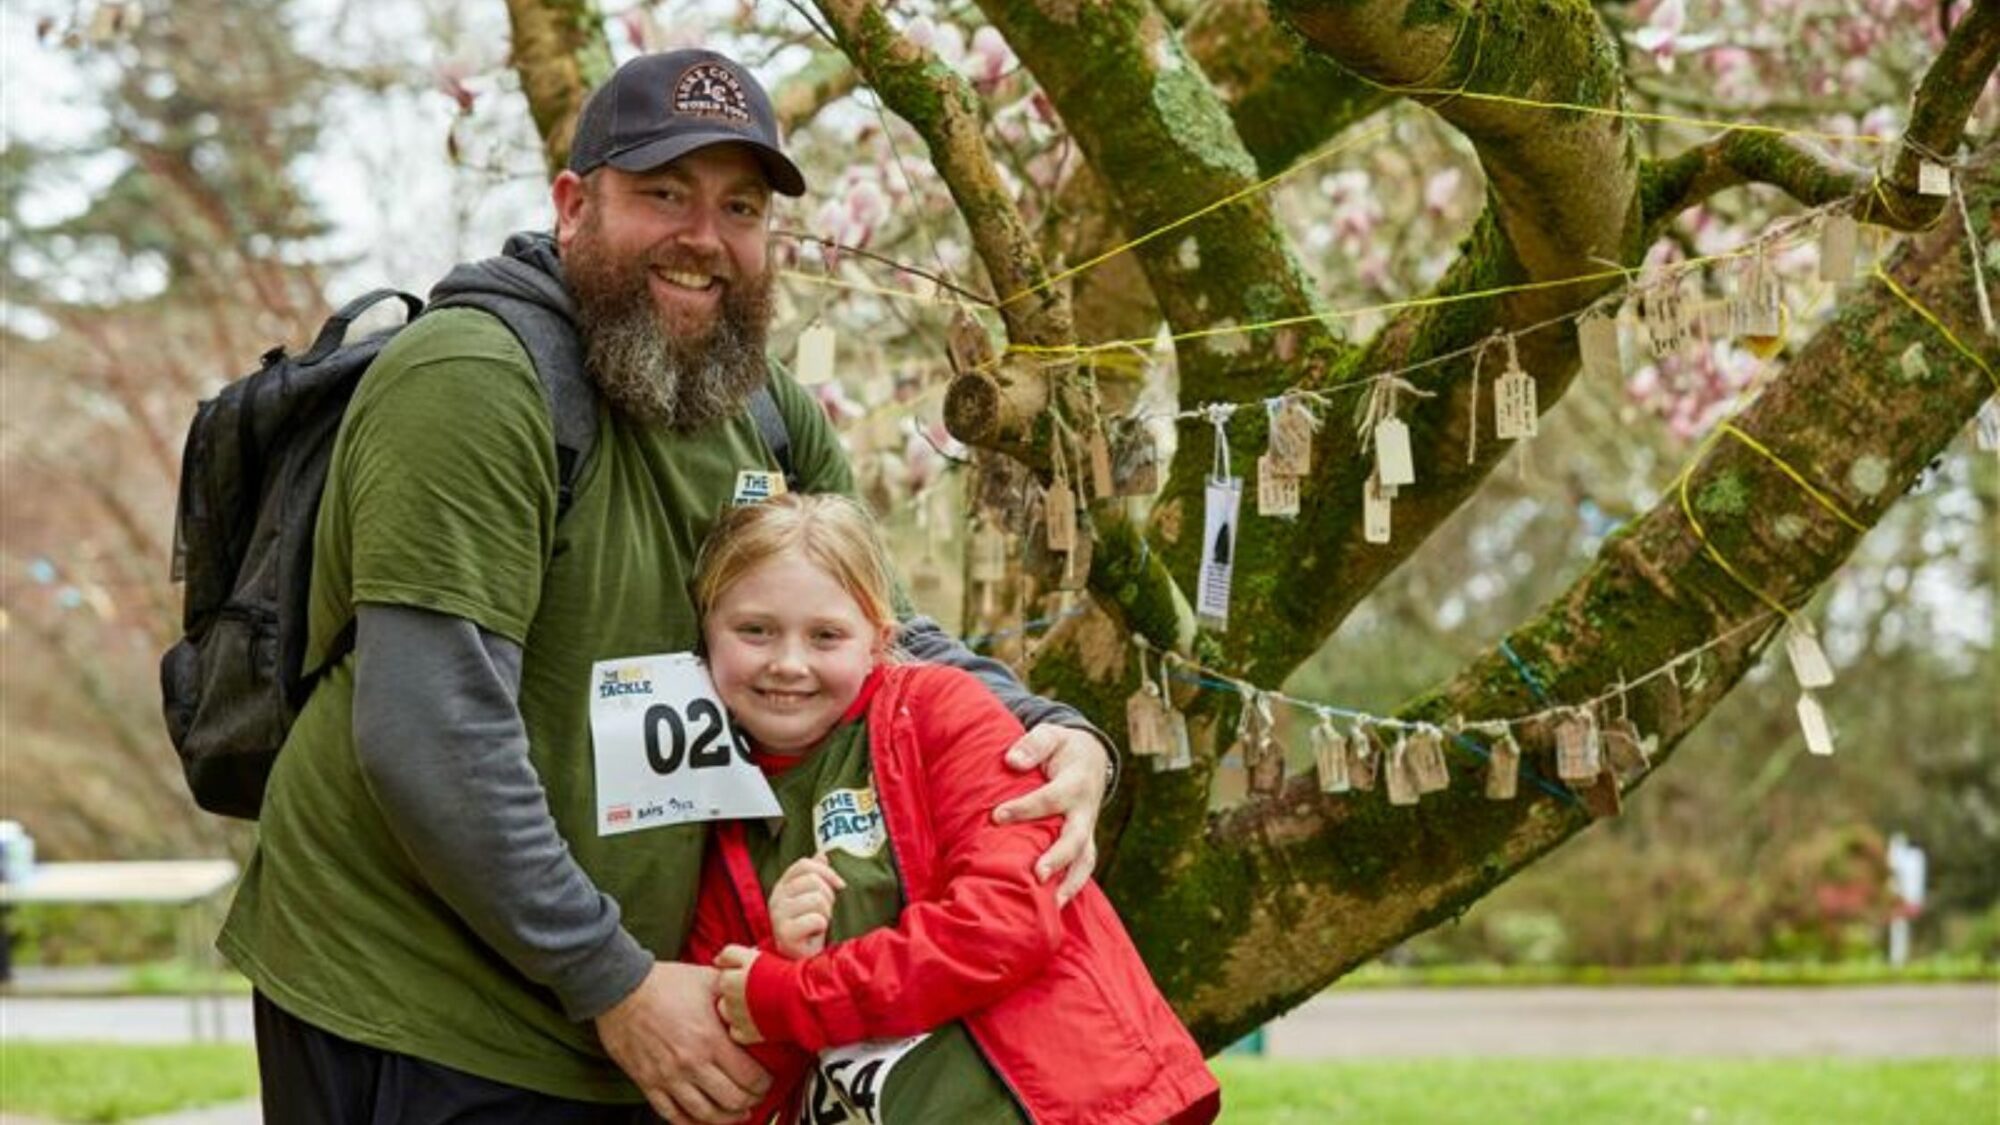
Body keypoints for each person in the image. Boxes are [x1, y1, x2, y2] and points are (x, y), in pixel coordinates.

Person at [217, 48, 1115, 1124]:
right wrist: (614, 980)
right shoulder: (472, 382)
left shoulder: (765, 406)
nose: (704, 236)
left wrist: (1054, 732)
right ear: (572, 204)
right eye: (662, 194)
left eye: (739, 205)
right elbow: (431, 728)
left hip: (647, 1004)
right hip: (420, 998)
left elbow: (874, 628)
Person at [684, 493, 1218, 1125]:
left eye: (826, 635)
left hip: (1050, 1106)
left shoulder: (939, 710)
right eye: (755, 631)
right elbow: (736, 1067)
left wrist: (798, 992)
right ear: (707, 632)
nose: (789, 663)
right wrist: (778, 957)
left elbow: (1006, 919)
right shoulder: (714, 800)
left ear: (878, 640)